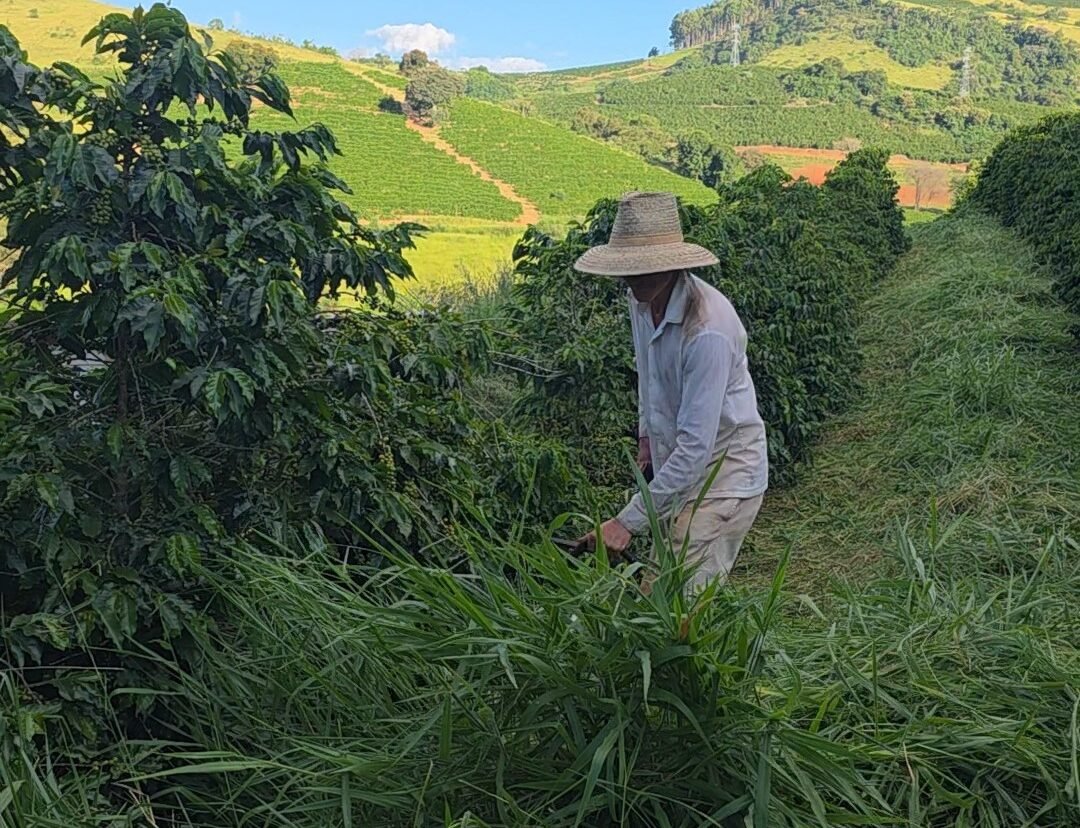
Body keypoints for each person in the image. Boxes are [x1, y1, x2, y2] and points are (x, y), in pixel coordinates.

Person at [574, 191, 768, 591]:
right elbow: (648, 373)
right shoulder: (640, 300)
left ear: (672, 265)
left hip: (723, 478)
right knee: (661, 594)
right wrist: (646, 438)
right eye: (628, 270)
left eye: (645, 269)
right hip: (678, 471)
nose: (634, 279)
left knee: (673, 603)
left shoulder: (707, 331)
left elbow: (696, 449)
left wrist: (625, 522)